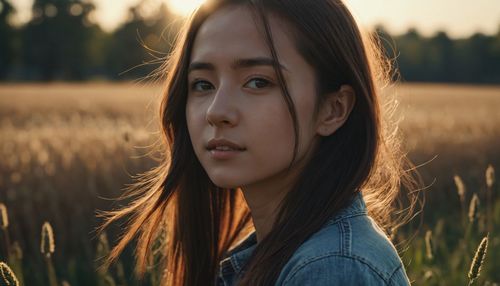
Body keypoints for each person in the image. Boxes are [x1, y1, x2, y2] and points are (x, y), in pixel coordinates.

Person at [99, 0, 421, 285]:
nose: (216, 111)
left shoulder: (332, 268)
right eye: (202, 84)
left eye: (258, 82)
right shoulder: (278, 254)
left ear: (332, 109)